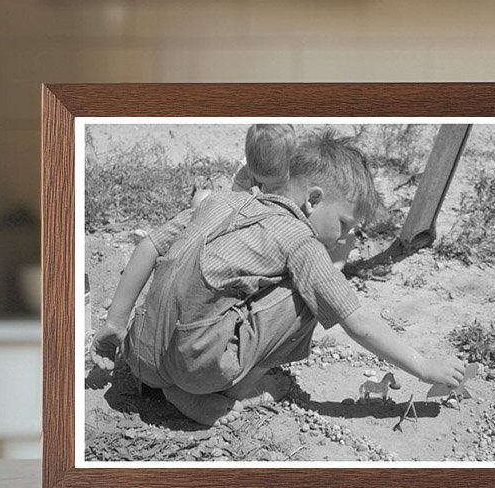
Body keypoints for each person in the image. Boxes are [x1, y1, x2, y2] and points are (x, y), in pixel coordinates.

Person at [91, 130, 465, 427]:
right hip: (196, 370)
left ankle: (167, 383)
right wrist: (423, 366)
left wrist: (115, 323)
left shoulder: (220, 200)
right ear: (313, 200)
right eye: (346, 225)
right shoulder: (298, 240)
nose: (347, 237)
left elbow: (149, 247)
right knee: (314, 295)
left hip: (139, 353)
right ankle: (230, 388)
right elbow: (358, 322)